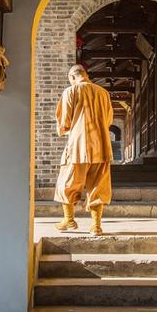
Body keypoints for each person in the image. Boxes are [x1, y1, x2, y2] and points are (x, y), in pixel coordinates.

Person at [53, 64, 113, 236]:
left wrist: (63, 128)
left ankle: (69, 219)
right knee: (98, 186)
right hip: (101, 146)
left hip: (77, 147)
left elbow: (65, 123)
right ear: (85, 74)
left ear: (72, 77)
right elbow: (108, 120)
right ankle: (96, 226)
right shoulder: (103, 93)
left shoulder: (70, 92)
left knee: (66, 183)